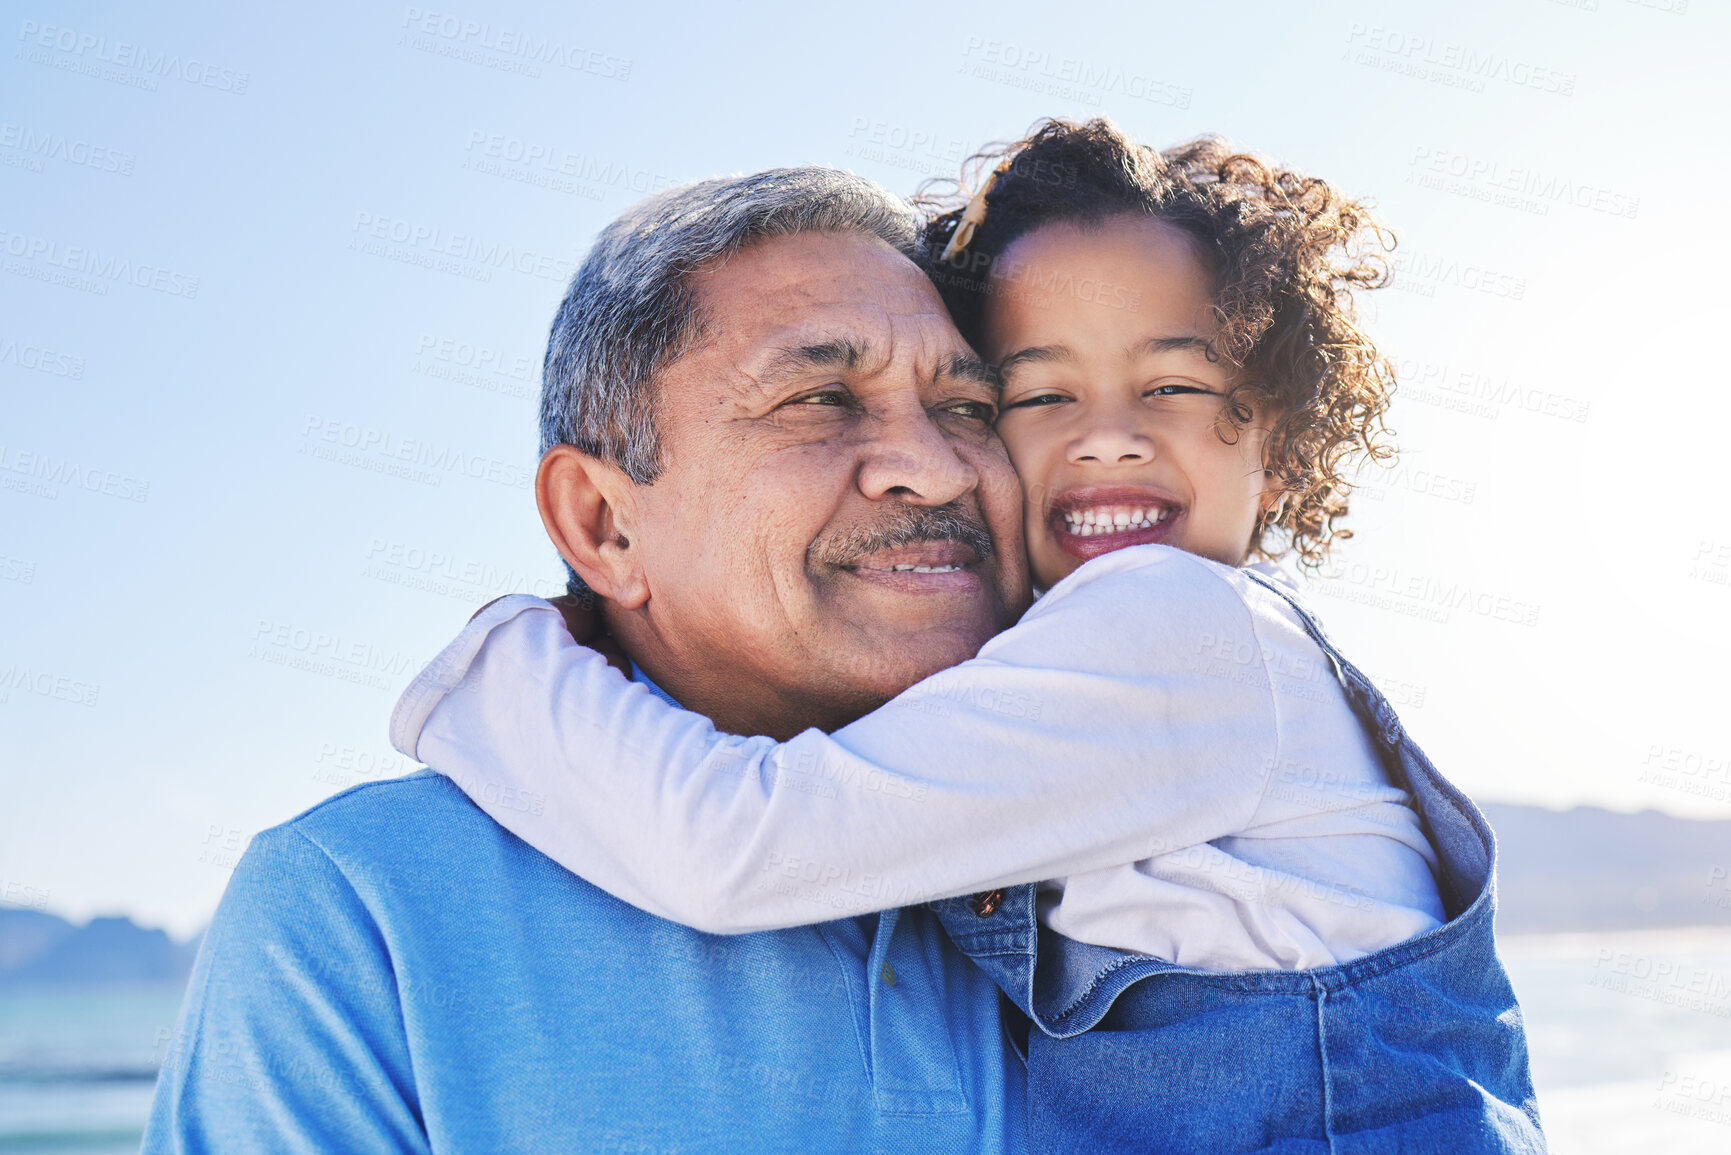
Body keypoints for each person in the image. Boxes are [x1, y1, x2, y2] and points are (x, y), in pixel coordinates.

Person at [392, 121, 1546, 1152]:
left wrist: (508, 663)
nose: (1106, 441)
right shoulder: (1093, 689)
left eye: (1175, 388)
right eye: (1032, 399)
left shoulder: (1172, 622)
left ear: (1278, 451)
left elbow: (735, 842)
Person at [142, 168, 1038, 1153]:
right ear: (604, 524)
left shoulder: (1133, 851)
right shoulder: (363, 910)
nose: (939, 465)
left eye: (969, 408)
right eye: (820, 398)